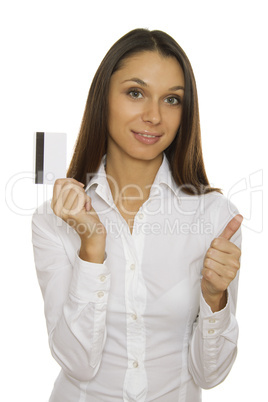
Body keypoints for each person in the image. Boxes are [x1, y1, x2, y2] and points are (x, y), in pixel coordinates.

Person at [32, 28, 243, 402]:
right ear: (104, 99)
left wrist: (215, 298)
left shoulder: (216, 217)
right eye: (135, 93)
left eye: (172, 100)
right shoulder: (53, 220)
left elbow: (211, 376)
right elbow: (77, 363)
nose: (154, 116)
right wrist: (92, 249)